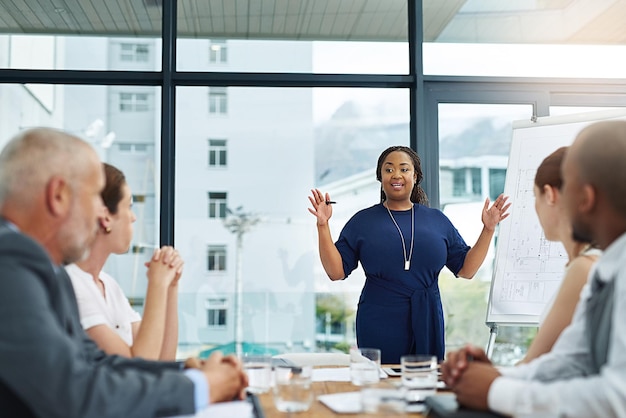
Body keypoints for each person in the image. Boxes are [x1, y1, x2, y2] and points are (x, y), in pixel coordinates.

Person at [0, 127, 247, 417]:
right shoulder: (9, 262)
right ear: (58, 196)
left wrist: (186, 372)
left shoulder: (48, 270)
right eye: (94, 197)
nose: (99, 215)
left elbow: (95, 363)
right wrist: (201, 387)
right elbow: (75, 393)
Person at [442, 120, 626, 417]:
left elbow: (617, 398)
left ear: (585, 198)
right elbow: (570, 363)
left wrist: (495, 390)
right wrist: (491, 376)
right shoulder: (609, 270)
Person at [308, 145, 510, 363]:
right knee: (382, 385)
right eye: (389, 169)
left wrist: (489, 229)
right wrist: (323, 225)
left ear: (415, 176)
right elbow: (335, 271)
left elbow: (467, 269)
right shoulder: (362, 221)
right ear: (380, 177)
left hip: (427, 317)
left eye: (404, 169)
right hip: (378, 319)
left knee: (424, 383)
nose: (396, 175)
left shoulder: (437, 220)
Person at [66, 163, 183, 360]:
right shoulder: (72, 286)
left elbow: (164, 360)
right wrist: (157, 284)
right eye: (128, 207)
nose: (134, 218)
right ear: (106, 218)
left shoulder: (109, 286)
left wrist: (170, 287)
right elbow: (136, 367)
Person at [519, 146, 601, 363]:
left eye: (535, 196)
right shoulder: (592, 261)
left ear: (550, 194)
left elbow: (533, 364)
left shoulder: (584, 267)